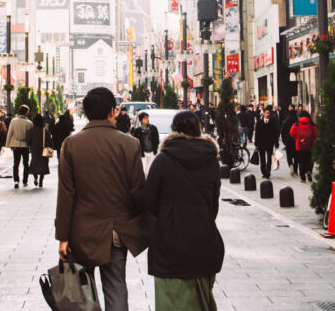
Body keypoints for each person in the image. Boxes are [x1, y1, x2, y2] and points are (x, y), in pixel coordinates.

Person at [55, 87, 151, 310]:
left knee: (81, 291)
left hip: (81, 231)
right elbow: (138, 191)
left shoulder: (71, 144)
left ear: (86, 112)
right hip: (116, 231)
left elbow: (66, 194)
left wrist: (63, 236)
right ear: (112, 111)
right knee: (116, 285)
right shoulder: (129, 144)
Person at [143, 110, 223, 311]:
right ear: (199, 129)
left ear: (174, 130)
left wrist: (166, 217)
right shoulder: (211, 159)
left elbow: (149, 201)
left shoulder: (162, 160)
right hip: (203, 239)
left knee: (171, 300)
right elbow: (213, 204)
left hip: (169, 244)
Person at [5, 104, 33, 189]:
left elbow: (10, 133)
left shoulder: (13, 121)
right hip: (25, 146)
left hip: (15, 145)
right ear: (26, 112)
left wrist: (7, 144)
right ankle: (25, 180)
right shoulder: (29, 123)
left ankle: (16, 180)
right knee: (26, 163)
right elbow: (31, 136)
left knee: (16, 163)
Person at [290, 110, 317, 183]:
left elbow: (292, 133)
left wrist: (297, 138)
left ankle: (303, 177)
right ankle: (308, 170)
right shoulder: (312, 124)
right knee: (309, 159)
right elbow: (316, 134)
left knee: (301, 161)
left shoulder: (296, 124)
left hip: (299, 146)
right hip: (310, 146)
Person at [254, 107, 280, 179]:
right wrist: (256, 143)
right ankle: (263, 171)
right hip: (261, 144)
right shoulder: (259, 123)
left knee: (269, 158)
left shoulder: (272, 123)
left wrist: (276, 144)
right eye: (266, 113)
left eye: (269, 113)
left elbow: (275, 134)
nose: (268, 114)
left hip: (269, 143)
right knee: (262, 159)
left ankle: (268, 172)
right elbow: (257, 134)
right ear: (263, 114)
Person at [28, 112, 52, 187]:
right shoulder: (45, 131)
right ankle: (41, 180)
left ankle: (35, 178)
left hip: (34, 150)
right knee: (43, 164)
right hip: (43, 149)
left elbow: (28, 141)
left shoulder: (31, 131)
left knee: (34, 164)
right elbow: (50, 141)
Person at [280, 104, 298, 177]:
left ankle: (291, 165)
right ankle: (296, 169)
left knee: (289, 155)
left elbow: (283, 131)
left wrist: (284, 140)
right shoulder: (297, 120)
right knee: (296, 155)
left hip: (288, 139)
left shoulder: (286, 120)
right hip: (296, 139)